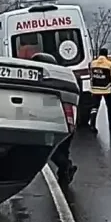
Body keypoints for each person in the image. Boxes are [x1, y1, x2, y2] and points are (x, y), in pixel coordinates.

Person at [30, 52, 78, 186]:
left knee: (50, 150)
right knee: (62, 150)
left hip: (51, 121)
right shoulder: (63, 79)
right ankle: (64, 174)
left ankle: (66, 168)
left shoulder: (38, 81)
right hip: (68, 120)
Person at [89, 47, 111, 134]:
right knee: (109, 106)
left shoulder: (92, 64)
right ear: (106, 55)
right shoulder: (110, 64)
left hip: (95, 89)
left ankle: (92, 124)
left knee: (94, 107)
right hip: (106, 89)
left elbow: (91, 75)